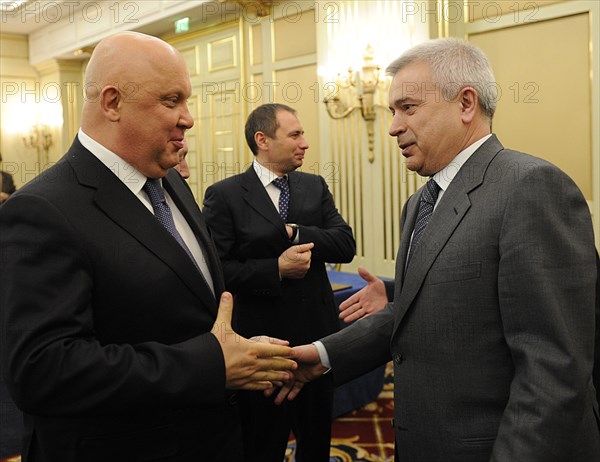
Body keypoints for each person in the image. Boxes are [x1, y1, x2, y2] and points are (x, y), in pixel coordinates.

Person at [283, 38, 600, 461]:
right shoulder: (419, 203)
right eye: (391, 111)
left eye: (408, 108)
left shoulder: (531, 188)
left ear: (466, 103)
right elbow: (410, 314)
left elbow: (553, 372)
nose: (393, 126)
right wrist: (322, 356)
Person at [0, 32, 297, 462]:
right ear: (112, 102)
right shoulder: (41, 210)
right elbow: (43, 371)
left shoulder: (171, 181)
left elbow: (189, 305)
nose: (189, 118)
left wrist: (244, 352)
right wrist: (211, 365)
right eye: (171, 100)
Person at [203, 103, 356, 462]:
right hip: (261, 345)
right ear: (263, 140)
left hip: (318, 340)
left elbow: (345, 243)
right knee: (263, 444)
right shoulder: (224, 196)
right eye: (295, 135)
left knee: (315, 443)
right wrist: (276, 269)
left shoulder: (313, 186)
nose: (305, 143)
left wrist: (296, 231)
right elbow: (218, 271)